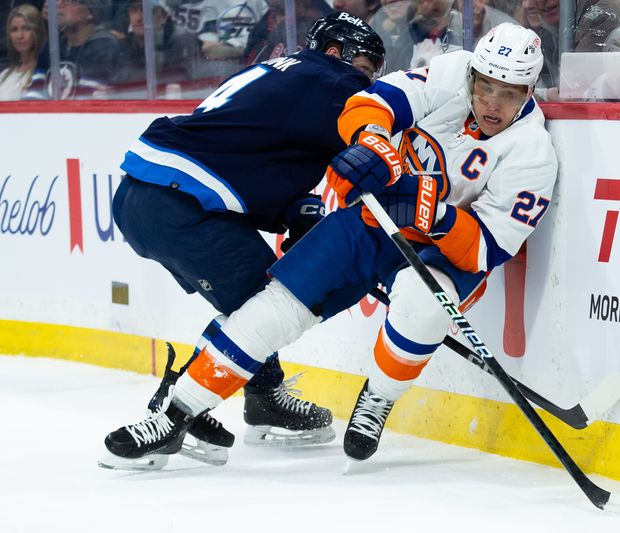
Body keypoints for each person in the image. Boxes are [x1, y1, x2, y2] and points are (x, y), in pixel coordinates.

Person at [102, 22, 557, 465]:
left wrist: (433, 215)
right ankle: (176, 413)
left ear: (531, 90)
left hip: (443, 250)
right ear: (474, 73)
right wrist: (373, 141)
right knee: (277, 304)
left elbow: (489, 248)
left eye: (510, 93)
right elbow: (374, 101)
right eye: (487, 87)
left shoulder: (532, 152)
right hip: (372, 221)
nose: (492, 103)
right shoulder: (452, 72)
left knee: (424, 305)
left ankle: (378, 400)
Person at [97, 11, 386, 470]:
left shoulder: (283, 76)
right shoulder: (332, 79)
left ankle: (261, 398)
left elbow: (265, 158)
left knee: (257, 295)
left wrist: (298, 216)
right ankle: (173, 413)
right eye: (367, 68)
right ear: (335, 53)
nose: (369, 84)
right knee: (268, 305)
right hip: (178, 203)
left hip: (147, 196)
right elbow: (376, 139)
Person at [25, 0, 124, 99]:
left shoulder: (103, 45)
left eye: (71, 1)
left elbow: (87, 98)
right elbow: (35, 92)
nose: (59, 4)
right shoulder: (53, 44)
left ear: (89, 12)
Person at [0, 4, 45, 99]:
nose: (19, 36)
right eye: (14, 30)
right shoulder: (4, 75)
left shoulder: (43, 73)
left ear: (37, 31)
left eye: (26, 28)